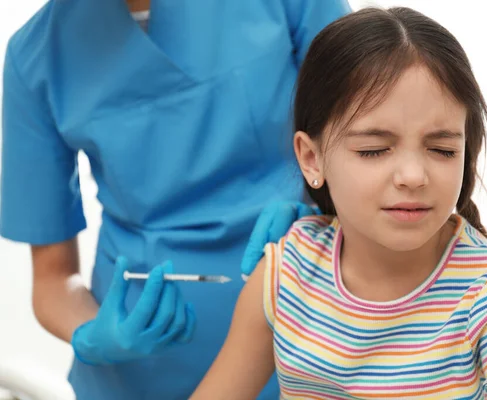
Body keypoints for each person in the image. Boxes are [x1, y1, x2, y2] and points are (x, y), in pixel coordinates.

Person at [191, 7, 487, 399]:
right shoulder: (286, 274)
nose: (413, 175)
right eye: (374, 150)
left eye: (441, 149)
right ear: (312, 158)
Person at [0, 0, 350, 398]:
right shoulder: (35, 56)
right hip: (140, 374)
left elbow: (371, 124)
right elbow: (52, 280)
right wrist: (94, 333)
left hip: (303, 328)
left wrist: (326, 210)